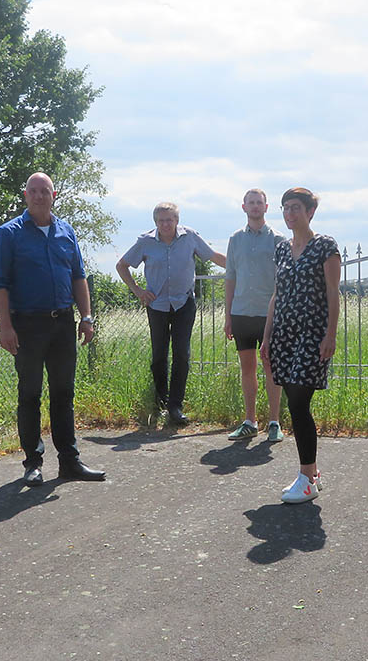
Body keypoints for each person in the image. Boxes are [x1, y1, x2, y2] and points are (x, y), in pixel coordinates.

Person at [0, 172, 105, 486]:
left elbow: (78, 277)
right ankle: (33, 463)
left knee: (64, 393)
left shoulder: (66, 232)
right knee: (30, 394)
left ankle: (70, 462)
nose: (40, 196)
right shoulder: (8, 234)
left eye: (45, 191)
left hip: (63, 323)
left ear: (54, 195)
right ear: (25, 195)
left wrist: (87, 317)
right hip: (26, 325)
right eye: (34, 191)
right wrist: (5, 327)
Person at [261, 188, 340, 503]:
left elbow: (333, 293)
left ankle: (306, 478)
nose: (289, 213)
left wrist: (330, 334)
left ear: (310, 212)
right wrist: (267, 336)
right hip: (284, 334)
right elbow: (276, 295)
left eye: (295, 207)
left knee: (297, 399)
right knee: (295, 398)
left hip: (312, 333)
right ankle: (313, 472)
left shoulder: (325, 246)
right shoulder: (281, 249)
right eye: (285, 208)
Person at [117, 203, 226, 425]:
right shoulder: (145, 241)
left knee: (182, 354)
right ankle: (161, 400)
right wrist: (138, 290)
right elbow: (122, 265)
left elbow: (213, 256)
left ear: (177, 220)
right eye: (161, 221)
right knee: (159, 355)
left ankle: (176, 406)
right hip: (156, 305)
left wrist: (240, 268)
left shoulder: (190, 237)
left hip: (183, 303)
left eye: (169, 220)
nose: (165, 224)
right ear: (155, 222)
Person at [224, 189, 288, 442]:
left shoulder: (278, 239)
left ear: (266, 207)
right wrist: (228, 316)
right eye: (250, 203)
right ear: (243, 207)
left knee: (271, 367)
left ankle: (274, 422)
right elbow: (230, 277)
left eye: (258, 203)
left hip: (269, 313)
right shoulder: (235, 239)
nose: (254, 207)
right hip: (241, 313)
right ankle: (250, 421)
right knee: (247, 368)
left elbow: (284, 279)